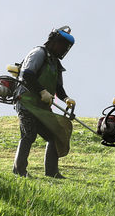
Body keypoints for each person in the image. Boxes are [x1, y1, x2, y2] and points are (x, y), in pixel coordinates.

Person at [13, 26, 76, 178]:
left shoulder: (56, 64)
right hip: (26, 101)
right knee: (29, 134)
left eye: (66, 47)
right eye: (62, 44)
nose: (63, 49)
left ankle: (52, 172)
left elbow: (58, 87)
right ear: (53, 41)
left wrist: (66, 98)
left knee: (55, 134)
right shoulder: (38, 53)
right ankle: (19, 170)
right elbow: (27, 75)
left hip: (42, 107)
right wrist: (41, 91)